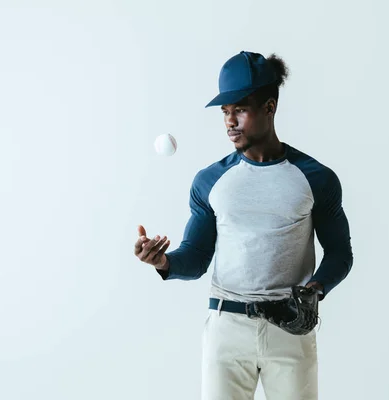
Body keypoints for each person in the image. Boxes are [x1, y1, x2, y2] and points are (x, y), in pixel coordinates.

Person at [134, 51, 354, 400]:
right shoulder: (210, 180)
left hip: (290, 329)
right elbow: (197, 255)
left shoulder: (316, 178)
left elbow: (340, 253)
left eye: (240, 109)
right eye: (225, 112)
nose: (230, 121)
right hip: (227, 330)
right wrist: (165, 262)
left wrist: (315, 289)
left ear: (269, 107)